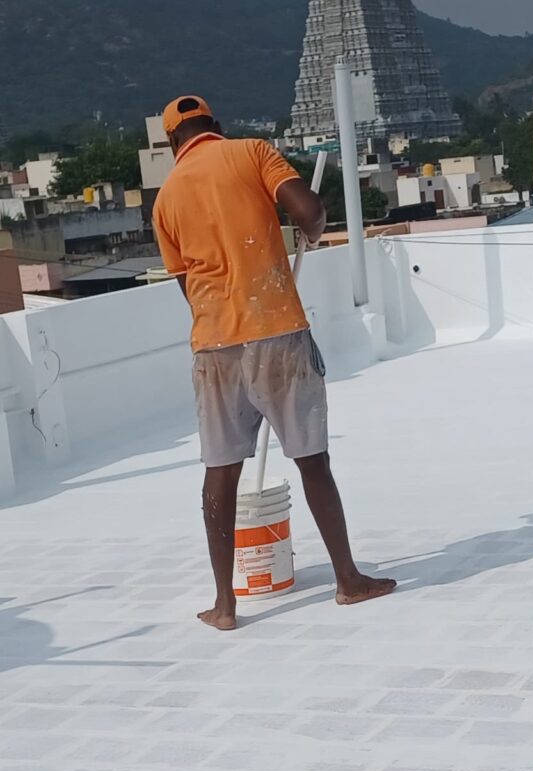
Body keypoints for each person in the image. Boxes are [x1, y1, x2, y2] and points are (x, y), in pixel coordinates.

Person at [151, 95, 395, 631]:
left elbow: (188, 289)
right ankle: (348, 581)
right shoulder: (252, 152)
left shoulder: (165, 198)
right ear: (216, 125)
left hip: (213, 344)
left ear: (171, 142)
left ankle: (224, 604)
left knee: (220, 472)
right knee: (311, 461)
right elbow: (308, 212)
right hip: (277, 331)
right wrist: (311, 230)